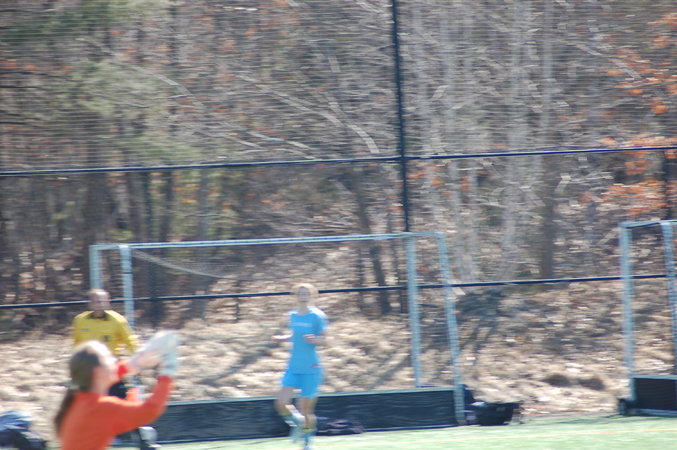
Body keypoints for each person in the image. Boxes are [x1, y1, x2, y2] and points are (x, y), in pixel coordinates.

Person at [54, 331, 178, 450]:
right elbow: (150, 410)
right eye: (109, 358)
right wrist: (168, 371)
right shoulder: (103, 407)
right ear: (98, 372)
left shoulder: (77, 400)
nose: (114, 361)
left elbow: (105, 375)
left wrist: (136, 361)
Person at [272, 283, 328, 450]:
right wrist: (284, 338)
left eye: (306, 294)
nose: (303, 296)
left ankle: (307, 441)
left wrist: (315, 340)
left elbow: (325, 340)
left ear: (312, 296)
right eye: (300, 294)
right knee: (281, 403)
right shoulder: (292, 315)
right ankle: (297, 424)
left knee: (305, 410)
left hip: (311, 368)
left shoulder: (317, 316)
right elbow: (295, 335)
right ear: (296, 296)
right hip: (294, 367)